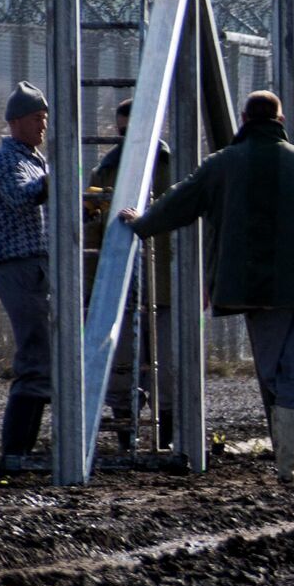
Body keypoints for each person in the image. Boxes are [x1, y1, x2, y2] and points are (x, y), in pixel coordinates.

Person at [119, 91, 294, 484]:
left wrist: (141, 222)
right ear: (280, 122)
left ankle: (293, 467)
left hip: (256, 292)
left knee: (278, 377)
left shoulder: (222, 164)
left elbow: (181, 202)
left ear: (244, 121)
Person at [87, 97, 177, 450]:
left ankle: (167, 436)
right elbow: (91, 226)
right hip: (121, 290)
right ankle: (126, 438)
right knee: (122, 368)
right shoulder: (106, 171)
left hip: (165, 287)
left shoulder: (172, 167)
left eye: (133, 130)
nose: (127, 139)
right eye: (121, 132)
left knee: (167, 367)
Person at [0, 81, 54, 476]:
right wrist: (58, 181)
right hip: (20, 267)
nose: (43, 126)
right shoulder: (10, 161)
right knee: (36, 358)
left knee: (44, 357)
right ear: (16, 122)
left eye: (45, 119)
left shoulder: (32, 157)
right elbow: (23, 196)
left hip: (34, 266)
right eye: (37, 119)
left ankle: (22, 451)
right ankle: (15, 452)